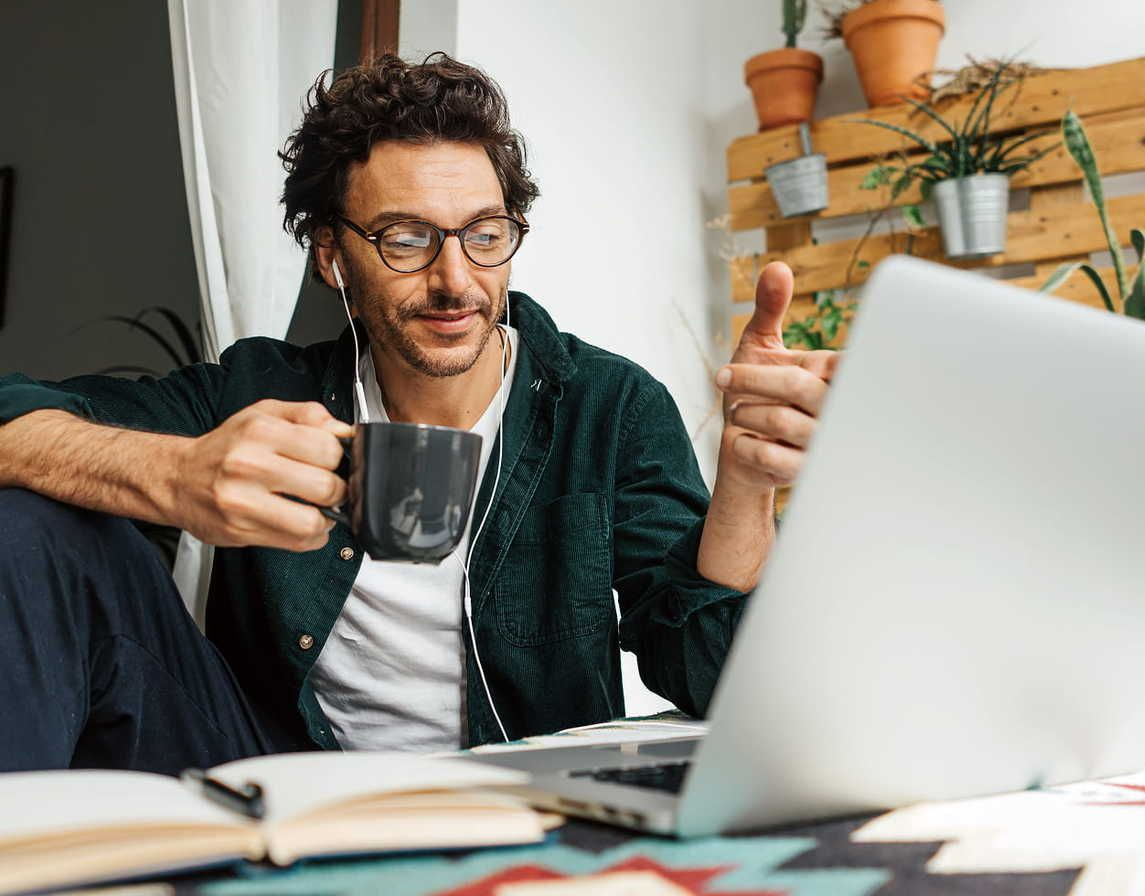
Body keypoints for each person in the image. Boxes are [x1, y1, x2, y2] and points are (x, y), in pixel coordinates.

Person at [0, 54, 837, 773]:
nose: (455, 280)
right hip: (269, 773)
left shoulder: (605, 405)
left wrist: (747, 485)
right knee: (36, 522)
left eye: (483, 233)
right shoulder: (257, 393)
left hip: (512, 797)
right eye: (405, 238)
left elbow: (709, 676)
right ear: (332, 254)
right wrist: (174, 473)